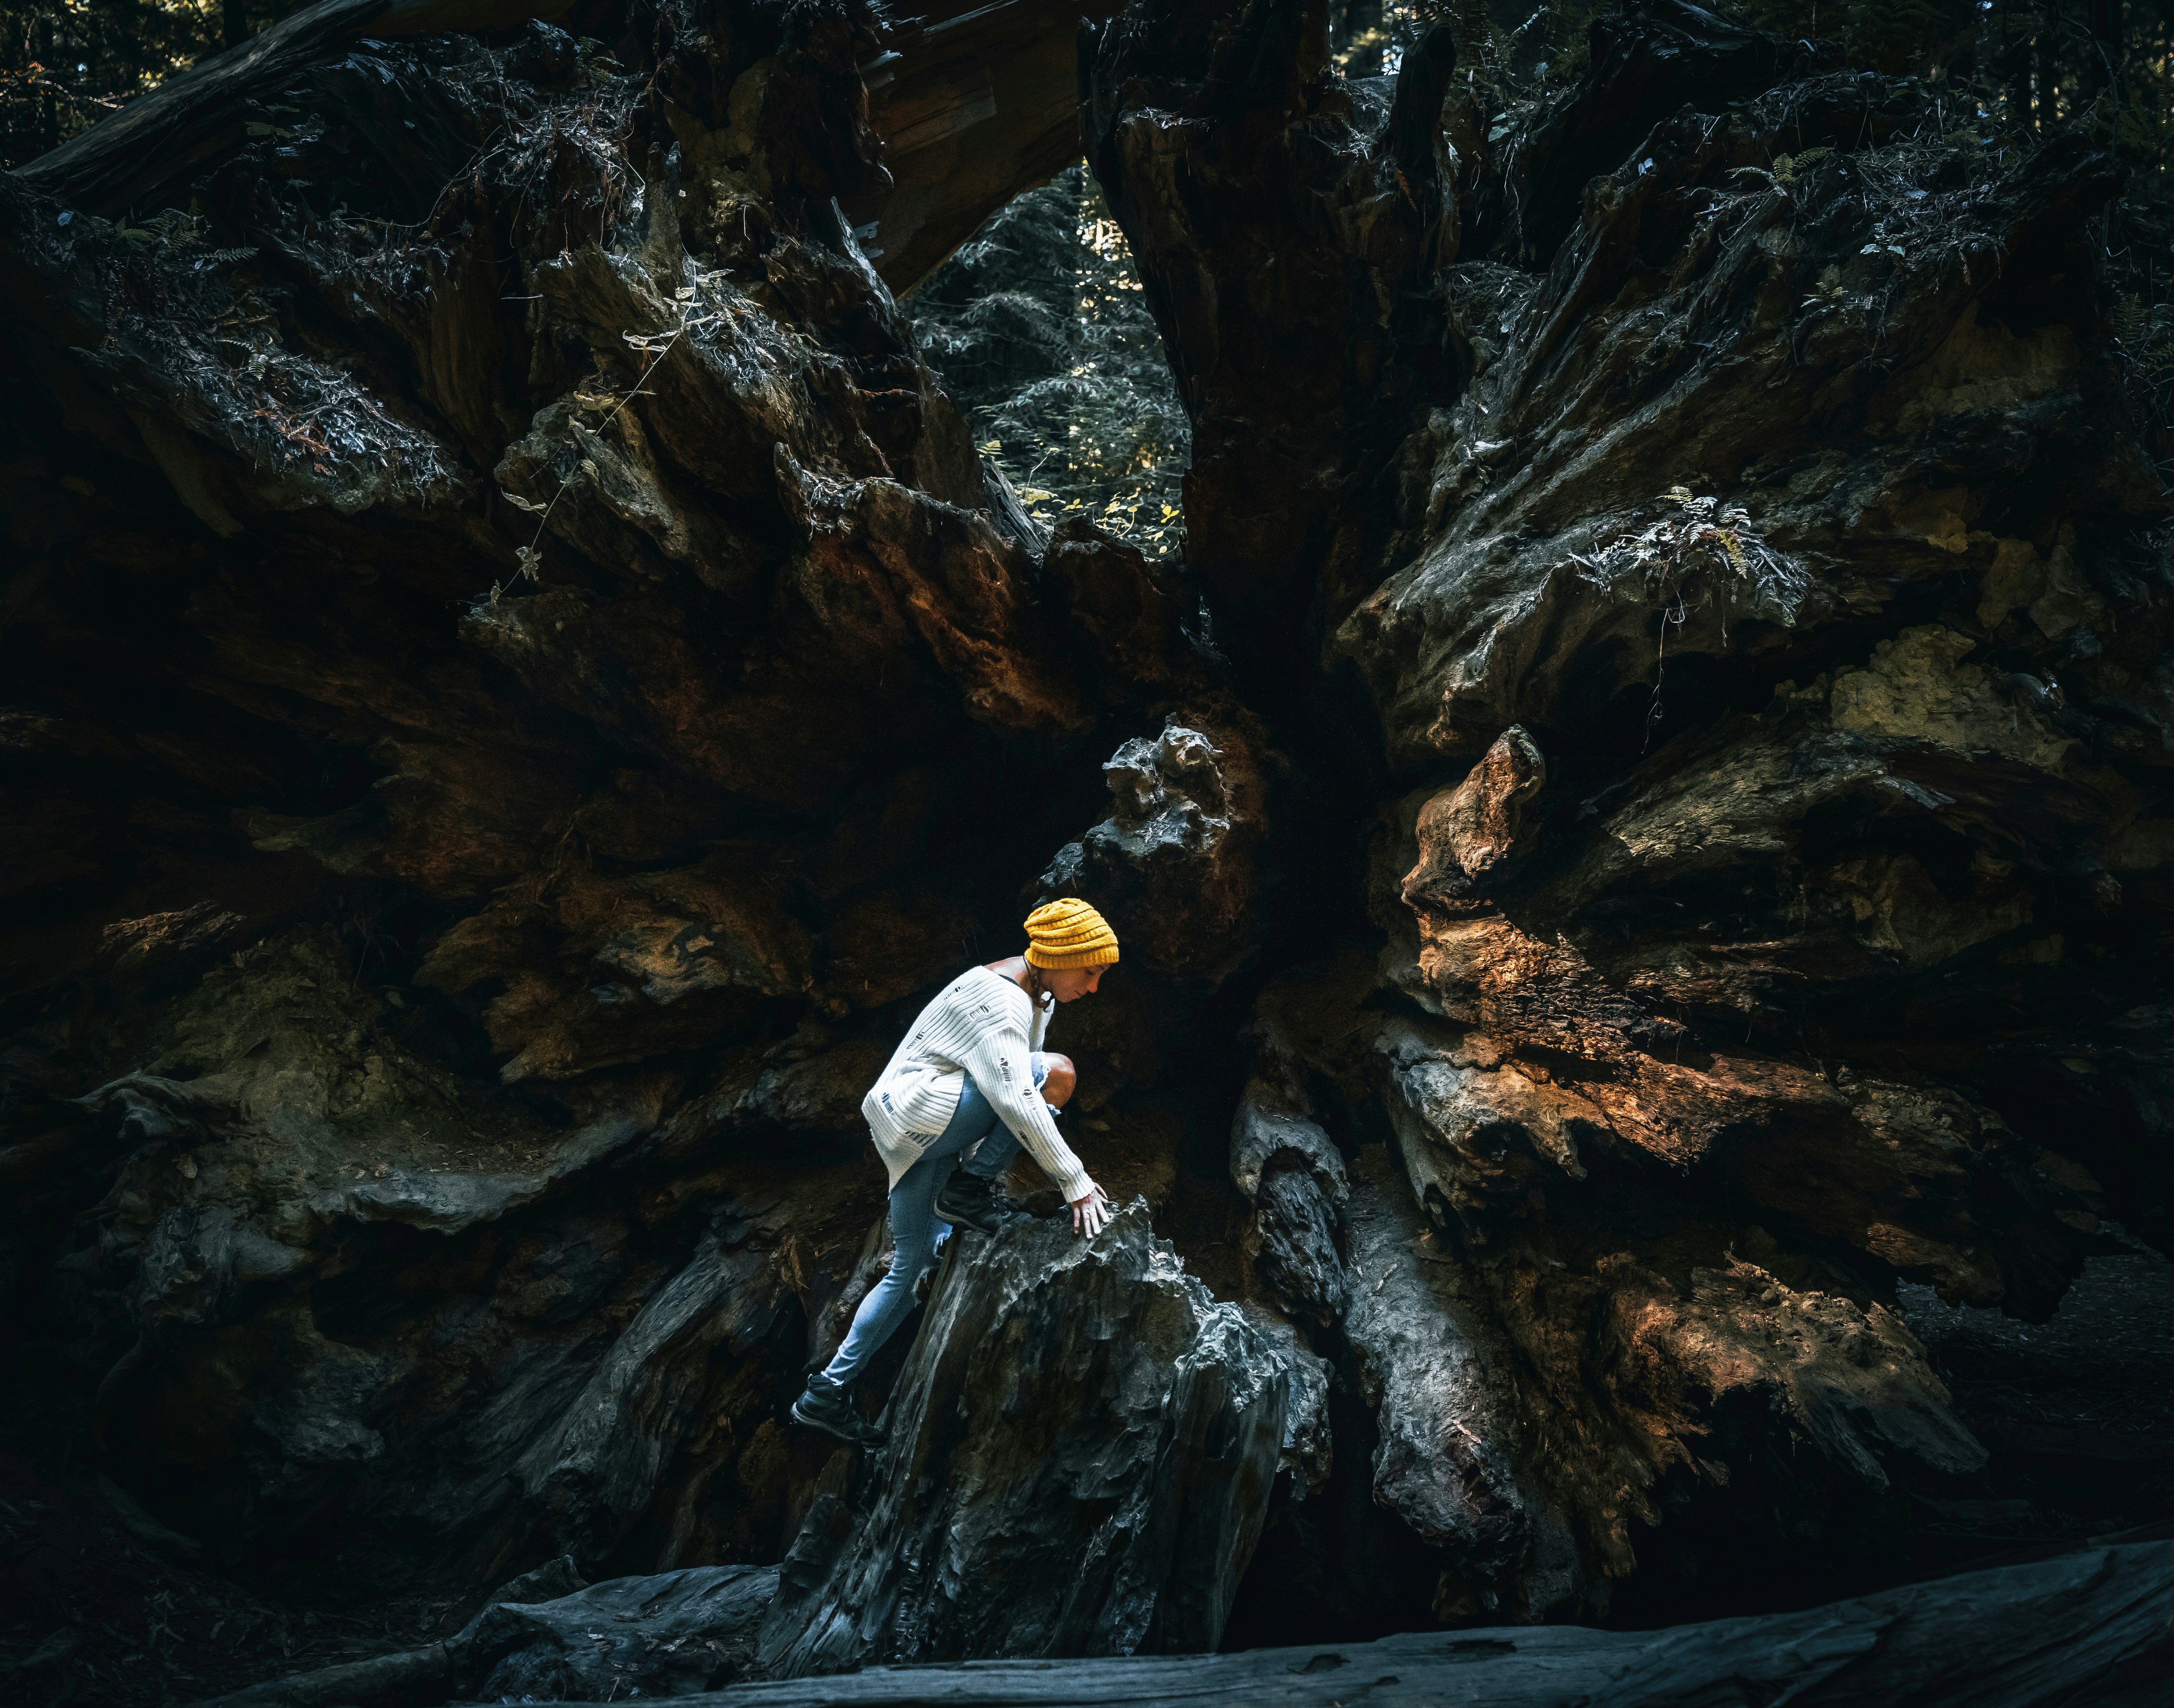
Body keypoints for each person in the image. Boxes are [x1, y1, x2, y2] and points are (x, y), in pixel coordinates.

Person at [789, 898, 1119, 1449]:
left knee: (910, 1265)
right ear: (1059, 956)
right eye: (1090, 972)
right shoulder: (1002, 1000)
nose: (1093, 988)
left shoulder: (1030, 994)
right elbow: (1016, 1097)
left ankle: (825, 1392)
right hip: (924, 1113)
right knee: (1056, 1073)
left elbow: (1001, 1093)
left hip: (916, 1128)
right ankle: (967, 1191)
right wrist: (1074, 1180)